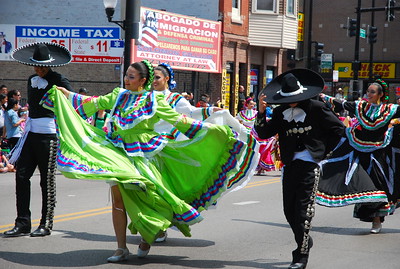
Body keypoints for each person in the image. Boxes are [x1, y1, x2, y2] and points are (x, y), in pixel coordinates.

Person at [49, 60, 258, 262]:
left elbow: (179, 120)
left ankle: (148, 235)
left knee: (150, 198)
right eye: (126, 75)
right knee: (118, 200)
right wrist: (67, 95)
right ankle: (121, 248)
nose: (126, 79)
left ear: (142, 80)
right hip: (118, 153)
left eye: (131, 76)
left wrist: (211, 130)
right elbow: (93, 103)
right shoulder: (119, 95)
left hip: (145, 155)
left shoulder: (155, 100)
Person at [254, 69, 345, 269]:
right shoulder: (279, 112)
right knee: (289, 211)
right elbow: (262, 133)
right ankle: (304, 239)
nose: (292, 102)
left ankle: (300, 255)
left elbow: (339, 131)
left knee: (304, 212)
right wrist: (261, 113)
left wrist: (324, 152)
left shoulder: (318, 108)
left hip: (311, 165)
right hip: (289, 164)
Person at [3, 42, 73, 237]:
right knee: (21, 175)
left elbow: (69, 105)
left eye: (43, 66)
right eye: (36, 66)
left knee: (47, 180)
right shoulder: (31, 79)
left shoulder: (60, 80)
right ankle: (22, 222)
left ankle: (46, 223)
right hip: (30, 133)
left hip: (49, 135)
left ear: (50, 65)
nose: (39, 70)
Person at [318, 79, 400, 234]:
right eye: (368, 91)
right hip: (360, 151)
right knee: (364, 186)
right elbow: (340, 104)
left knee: (379, 186)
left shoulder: (390, 109)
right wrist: (323, 96)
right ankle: (374, 220)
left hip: (379, 153)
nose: (368, 94)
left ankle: (377, 221)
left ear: (380, 95)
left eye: (372, 92)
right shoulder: (360, 106)